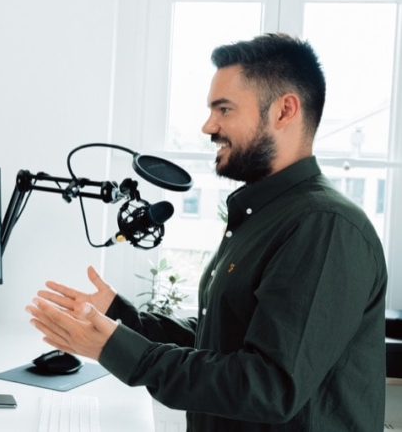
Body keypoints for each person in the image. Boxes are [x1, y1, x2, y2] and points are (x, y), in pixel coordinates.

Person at [26, 33, 388, 431]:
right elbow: (219, 339)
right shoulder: (263, 216)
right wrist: (119, 315)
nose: (208, 126)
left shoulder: (324, 227)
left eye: (224, 109)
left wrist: (119, 350)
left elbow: (269, 386)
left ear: (284, 111)